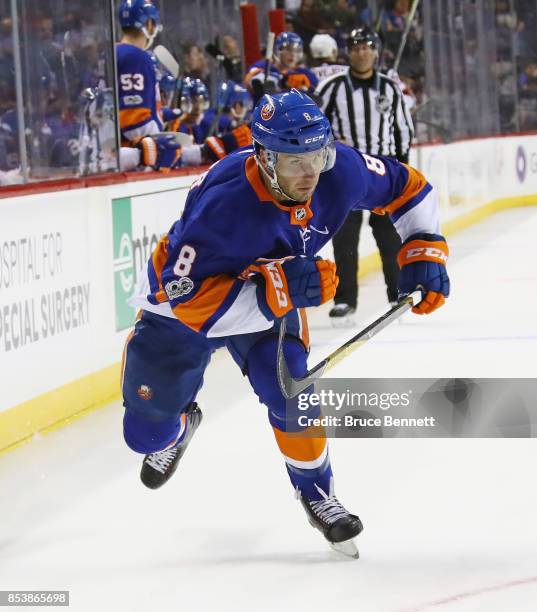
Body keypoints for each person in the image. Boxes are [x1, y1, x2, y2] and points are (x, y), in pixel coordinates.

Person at [121, 89, 450, 555]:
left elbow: (408, 187)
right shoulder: (225, 205)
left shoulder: (338, 171)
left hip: (268, 296)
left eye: (319, 154)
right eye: (296, 161)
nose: (311, 172)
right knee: (145, 435)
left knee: (292, 390)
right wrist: (275, 290)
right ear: (264, 157)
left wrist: (421, 246)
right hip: (184, 305)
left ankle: (318, 492)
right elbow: (184, 299)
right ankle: (178, 422)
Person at [315, 26, 414, 326]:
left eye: (366, 46)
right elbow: (318, 128)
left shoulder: (390, 88)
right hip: (345, 174)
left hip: (383, 173)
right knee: (344, 239)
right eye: (355, 47)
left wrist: (402, 171)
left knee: (390, 238)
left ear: (375, 51)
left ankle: (398, 293)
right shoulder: (332, 88)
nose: (361, 52)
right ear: (349, 51)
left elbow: (403, 131)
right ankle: (345, 299)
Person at [116, 0, 180, 171]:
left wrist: (161, 115)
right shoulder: (136, 56)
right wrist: (160, 139)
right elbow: (133, 120)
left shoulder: (112, 51)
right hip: (135, 155)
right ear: (149, 24)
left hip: (116, 151)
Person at [244, 32, 318, 104]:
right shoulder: (263, 67)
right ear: (277, 50)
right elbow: (251, 82)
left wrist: (306, 88)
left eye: (297, 51)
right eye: (288, 49)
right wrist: (283, 81)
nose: (292, 54)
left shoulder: (304, 73)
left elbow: (316, 97)